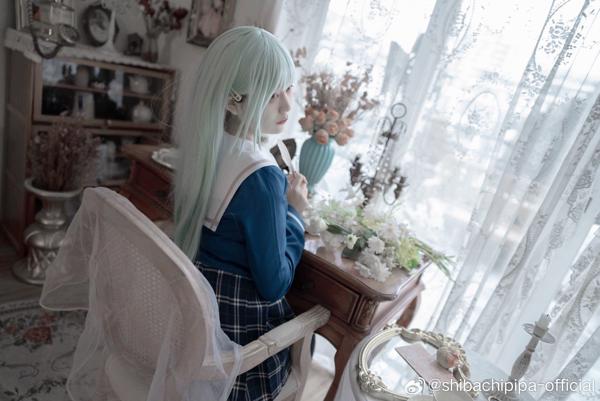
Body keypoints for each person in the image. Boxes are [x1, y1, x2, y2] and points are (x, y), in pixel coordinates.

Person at [173, 26, 309, 401]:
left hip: (192, 320)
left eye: (288, 89)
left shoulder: (204, 146)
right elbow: (274, 284)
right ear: (235, 102)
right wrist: (295, 213)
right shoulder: (261, 177)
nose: (287, 106)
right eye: (272, 94)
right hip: (232, 344)